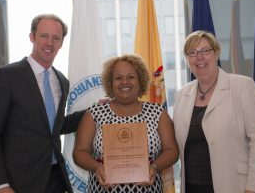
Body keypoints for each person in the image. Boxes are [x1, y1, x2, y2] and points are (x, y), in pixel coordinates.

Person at [0, 14, 85, 193]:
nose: (50, 43)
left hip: (55, 180)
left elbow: (54, 126)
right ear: (32, 37)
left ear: (61, 43)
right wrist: (0, 185)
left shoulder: (62, 81)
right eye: (44, 36)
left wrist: (96, 109)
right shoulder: (6, 77)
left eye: (56, 38)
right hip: (17, 182)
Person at [173, 30, 255, 193]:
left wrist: (253, 187)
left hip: (235, 185)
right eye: (192, 52)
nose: (199, 57)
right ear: (187, 59)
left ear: (216, 53)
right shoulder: (181, 94)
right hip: (192, 186)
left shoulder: (243, 86)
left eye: (205, 50)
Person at [73, 54, 179, 193]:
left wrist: (154, 167)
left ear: (140, 80)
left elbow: (172, 151)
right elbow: (79, 152)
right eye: (118, 78)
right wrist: (96, 167)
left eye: (130, 77)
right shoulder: (94, 114)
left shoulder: (157, 113)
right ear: (110, 82)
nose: (124, 82)